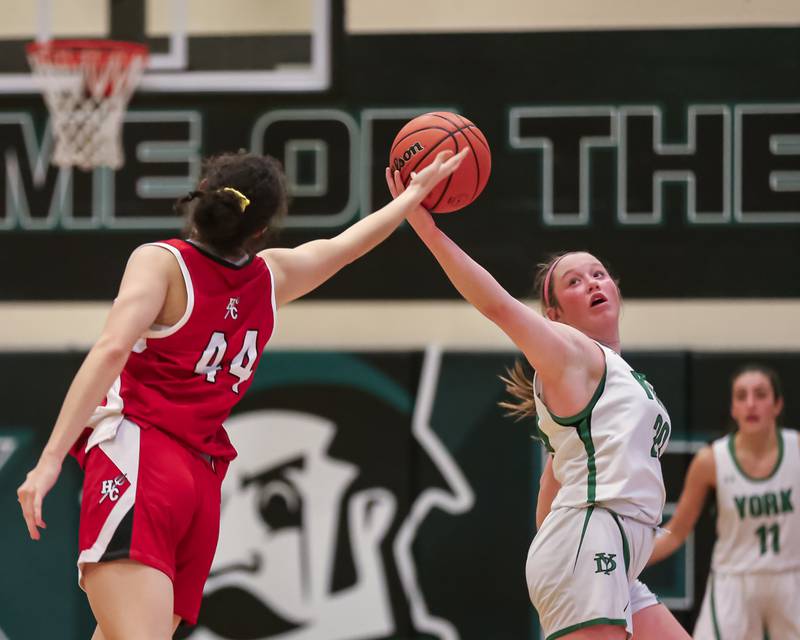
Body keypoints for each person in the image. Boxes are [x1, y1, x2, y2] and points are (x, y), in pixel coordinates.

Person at [16, 147, 467, 640]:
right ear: (260, 229)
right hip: (201, 484)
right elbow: (347, 244)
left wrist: (50, 459)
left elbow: (111, 349)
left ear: (202, 197)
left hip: (143, 463)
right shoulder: (271, 279)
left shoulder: (163, 264)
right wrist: (413, 197)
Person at [385, 169, 689, 640]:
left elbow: (549, 495)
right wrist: (427, 228)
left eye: (599, 273)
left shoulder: (607, 377)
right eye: (574, 282)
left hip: (606, 549)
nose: (593, 283)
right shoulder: (570, 352)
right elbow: (498, 305)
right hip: (594, 540)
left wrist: (560, 552)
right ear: (554, 316)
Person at [649, 364, 800, 639]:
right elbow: (676, 533)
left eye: (760, 394)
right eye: (741, 396)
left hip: (789, 577)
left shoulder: (796, 449)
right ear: (733, 408)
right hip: (734, 582)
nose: (751, 404)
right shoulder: (711, 460)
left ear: (777, 405)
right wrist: (627, 559)